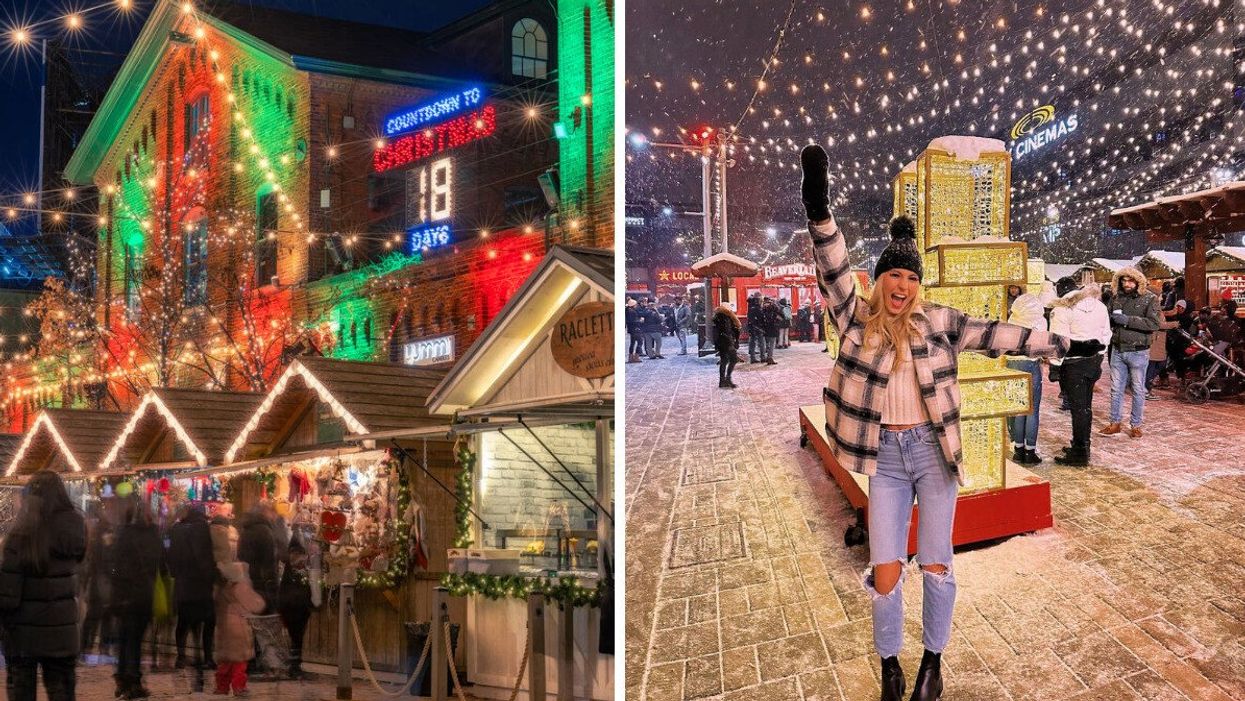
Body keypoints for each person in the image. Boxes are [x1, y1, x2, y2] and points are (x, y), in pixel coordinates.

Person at [799, 145, 1097, 701]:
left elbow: (996, 332)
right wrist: (819, 211)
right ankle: (890, 667)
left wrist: (1060, 342)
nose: (902, 285)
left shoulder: (937, 321)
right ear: (881, 279)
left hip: (936, 457)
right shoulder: (857, 320)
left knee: (937, 562)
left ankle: (933, 664)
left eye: (910, 276)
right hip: (885, 460)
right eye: (893, 274)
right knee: (886, 568)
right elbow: (834, 269)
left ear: (918, 284)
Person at [0, 470, 87, 701]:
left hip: (23, 636)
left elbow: (7, 596)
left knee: (22, 692)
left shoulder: (19, 536)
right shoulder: (73, 531)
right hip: (63, 634)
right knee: (62, 693)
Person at [1049, 277, 1112, 466]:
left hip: (1073, 363)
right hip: (1093, 362)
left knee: (1078, 409)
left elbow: (1059, 341)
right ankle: (1082, 446)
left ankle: (1080, 452)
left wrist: (1054, 366)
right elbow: (1106, 333)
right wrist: (1099, 353)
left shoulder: (1062, 309)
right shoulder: (1099, 306)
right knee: (1085, 407)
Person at [108, 497, 164, 699]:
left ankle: (124, 678)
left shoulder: (124, 534)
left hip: (124, 594)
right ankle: (133, 679)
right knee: (135, 639)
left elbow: (114, 563)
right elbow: (161, 561)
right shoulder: (153, 535)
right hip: (143, 594)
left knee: (124, 638)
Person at [1101, 266, 1160, 437]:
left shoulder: (1149, 298)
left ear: (1138, 281)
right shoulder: (1116, 297)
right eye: (1124, 281)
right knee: (1115, 389)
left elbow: (1154, 323)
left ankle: (1136, 425)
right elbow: (1108, 319)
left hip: (1138, 351)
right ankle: (1115, 422)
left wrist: (1127, 320)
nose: (1126, 284)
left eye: (1130, 280)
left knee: (1138, 389)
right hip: (1118, 349)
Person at [168, 503, 218, 670]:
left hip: (183, 583)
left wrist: (175, 573)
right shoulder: (202, 528)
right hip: (200, 583)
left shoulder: (176, 529)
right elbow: (203, 555)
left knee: (184, 622)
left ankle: (181, 656)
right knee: (209, 621)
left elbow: (170, 554)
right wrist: (212, 576)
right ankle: (207, 657)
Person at [213, 562, 266, 696]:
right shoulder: (240, 587)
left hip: (223, 627)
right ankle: (239, 687)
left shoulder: (219, 588)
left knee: (224, 662)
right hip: (238, 629)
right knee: (239, 663)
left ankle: (221, 687)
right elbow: (257, 604)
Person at [1006, 292, 1047, 464]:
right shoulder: (1040, 322)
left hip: (1012, 364)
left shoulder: (1011, 321)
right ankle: (1029, 451)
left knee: (1017, 408)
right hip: (1031, 364)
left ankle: (1018, 448)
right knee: (1031, 410)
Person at [80, 502, 115, 662]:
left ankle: (87, 646)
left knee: (94, 616)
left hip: (97, 578)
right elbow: (106, 556)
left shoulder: (97, 532)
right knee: (101, 615)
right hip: (102, 579)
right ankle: (101, 647)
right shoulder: (106, 531)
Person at [277, 537, 315, 679]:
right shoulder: (300, 567)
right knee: (296, 637)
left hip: (293, 605)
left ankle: (294, 665)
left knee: (296, 637)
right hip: (296, 605)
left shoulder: (288, 565)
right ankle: (294, 666)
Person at [236, 503, 280, 615]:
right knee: (265, 624)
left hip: (246, 582)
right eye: (273, 513)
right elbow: (269, 565)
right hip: (262, 586)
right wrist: (274, 592)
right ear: (266, 513)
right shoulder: (265, 532)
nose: (275, 517)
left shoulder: (246, 530)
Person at [712, 303, 742, 388]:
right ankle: (728, 379)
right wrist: (732, 342)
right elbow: (727, 331)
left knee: (724, 360)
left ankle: (722, 381)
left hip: (721, 342)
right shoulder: (725, 317)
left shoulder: (718, 317)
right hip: (727, 342)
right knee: (733, 359)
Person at [759, 297, 782, 364]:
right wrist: (776, 321)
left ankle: (766, 357)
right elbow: (781, 317)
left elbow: (761, 320)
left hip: (766, 329)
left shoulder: (763, 309)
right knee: (771, 344)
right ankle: (769, 358)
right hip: (772, 328)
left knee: (767, 344)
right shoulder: (774, 309)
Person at [746, 293, 764, 362]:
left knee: (752, 342)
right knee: (761, 342)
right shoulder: (757, 306)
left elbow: (750, 316)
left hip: (751, 325)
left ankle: (752, 358)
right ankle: (762, 357)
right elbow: (760, 316)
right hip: (758, 326)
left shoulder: (750, 304)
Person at [625, 298, 644, 363]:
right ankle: (636, 357)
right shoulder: (632, 311)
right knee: (640, 342)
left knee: (632, 343)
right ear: (633, 305)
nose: (636, 305)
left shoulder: (628, 311)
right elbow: (633, 321)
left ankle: (630, 357)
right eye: (635, 304)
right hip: (635, 328)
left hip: (631, 329)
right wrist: (640, 321)